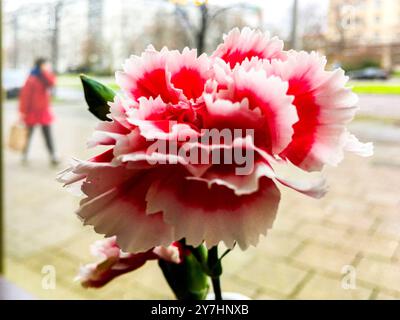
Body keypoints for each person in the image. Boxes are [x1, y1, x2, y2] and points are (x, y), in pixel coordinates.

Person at [19, 58, 59, 166]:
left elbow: (53, 82)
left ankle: (53, 155)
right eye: (45, 65)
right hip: (32, 112)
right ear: (41, 65)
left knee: (47, 134)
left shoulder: (44, 77)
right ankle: (24, 154)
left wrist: (44, 72)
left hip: (43, 112)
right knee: (28, 135)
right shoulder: (31, 78)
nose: (47, 67)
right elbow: (25, 96)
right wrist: (22, 112)